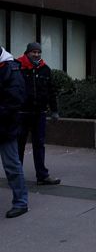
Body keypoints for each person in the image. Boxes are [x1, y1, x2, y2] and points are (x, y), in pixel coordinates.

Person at [17, 42, 61, 185]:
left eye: (38, 52)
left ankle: (42, 176)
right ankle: (16, 175)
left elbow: (51, 91)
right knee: (19, 145)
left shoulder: (45, 70)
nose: (36, 55)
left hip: (39, 113)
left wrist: (54, 110)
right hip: (21, 113)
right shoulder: (18, 67)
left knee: (39, 144)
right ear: (27, 52)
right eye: (33, 52)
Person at [0, 46, 29, 218]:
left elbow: (16, 98)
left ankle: (21, 202)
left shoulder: (11, 68)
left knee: (11, 165)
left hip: (5, 126)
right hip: (6, 124)